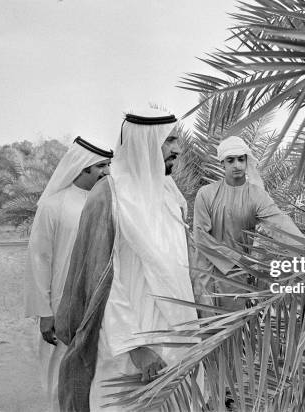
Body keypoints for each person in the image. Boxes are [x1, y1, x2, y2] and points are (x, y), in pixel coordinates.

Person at [55, 108, 199, 412]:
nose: (177, 148)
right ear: (144, 142)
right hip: (129, 347)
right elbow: (101, 278)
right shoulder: (109, 194)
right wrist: (136, 347)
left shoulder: (169, 191)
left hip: (178, 337)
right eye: (169, 140)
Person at [24, 136, 113, 412]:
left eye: (109, 164)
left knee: (94, 376)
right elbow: (39, 259)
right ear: (83, 166)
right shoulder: (53, 206)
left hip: (98, 305)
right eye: (100, 165)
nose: (106, 172)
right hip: (61, 306)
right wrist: (45, 313)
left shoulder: (111, 203)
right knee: (58, 376)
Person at [192, 135, 303, 310]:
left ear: (246, 161)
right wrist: (238, 259)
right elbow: (200, 236)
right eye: (230, 160)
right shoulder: (206, 193)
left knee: (231, 330)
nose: (236, 165)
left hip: (235, 278)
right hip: (205, 274)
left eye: (240, 159)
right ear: (222, 163)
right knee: (205, 330)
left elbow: (279, 222)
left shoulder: (256, 195)